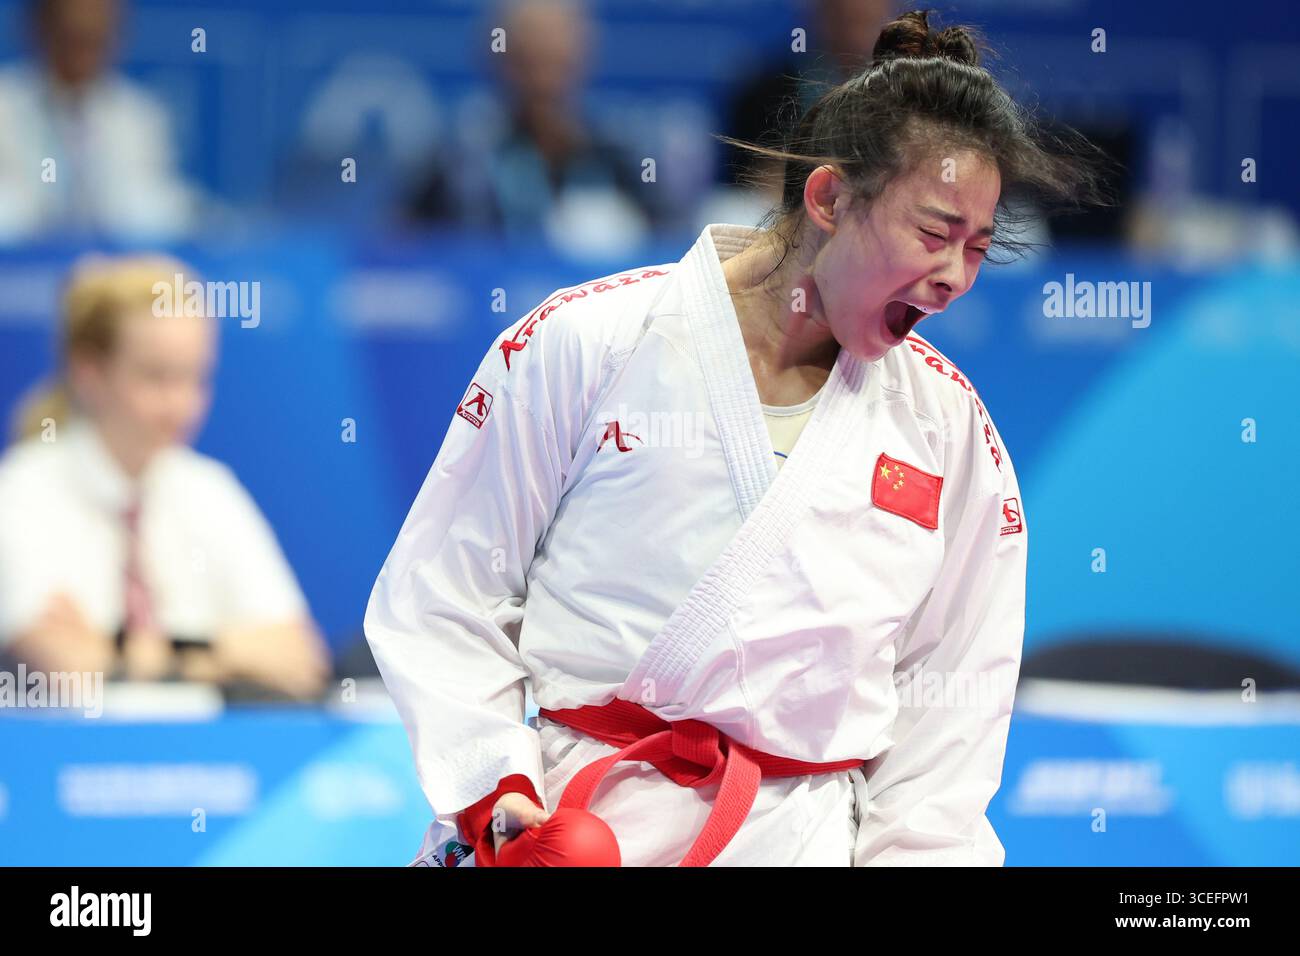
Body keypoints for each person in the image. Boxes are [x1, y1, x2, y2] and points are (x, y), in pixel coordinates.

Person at [364, 9, 1111, 866]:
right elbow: (442, 591)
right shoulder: (589, 341)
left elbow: (951, 715)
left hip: (799, 842)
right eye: (934, 233)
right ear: (828, 198)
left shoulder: (949, 429)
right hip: (578, 828)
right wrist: (495, 787)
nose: (953, 277)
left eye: (978, 247)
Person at [0, 255, 329, 700]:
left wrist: (139, 652)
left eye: (196, 377)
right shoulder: (21, 492)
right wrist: (226, 655)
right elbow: (62, 665)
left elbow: (300, 657)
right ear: (89, 372)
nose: (183, 405)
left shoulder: (210, 489)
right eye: (156, 377)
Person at [0, 0, 197, 242]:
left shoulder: (139, 116)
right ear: (40, 30)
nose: (83, 54)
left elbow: (158, 210)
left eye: (95, 39)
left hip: (112, 268)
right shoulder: (5, 106)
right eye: (73, 37)